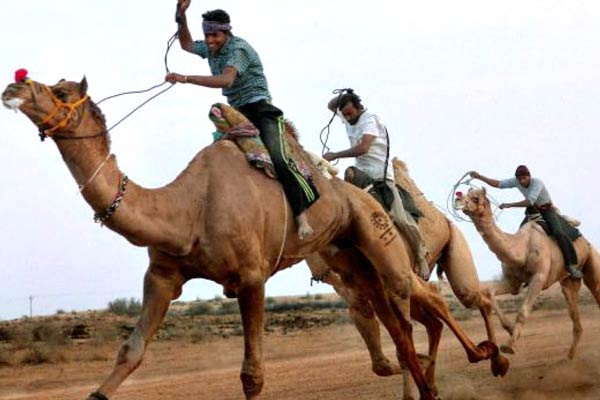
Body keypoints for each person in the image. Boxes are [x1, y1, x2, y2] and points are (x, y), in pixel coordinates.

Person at [166, 1, 318, 238]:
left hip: (260, 109)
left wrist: (184, 78)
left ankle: (301, 214)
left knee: (278, 157)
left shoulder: (239, 49)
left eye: (214, 35)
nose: (209, 41)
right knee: (216, 156)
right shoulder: (211, 49)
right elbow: (186, 44)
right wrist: (180, 15)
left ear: (226, 32)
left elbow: (227, 80)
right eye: (207, 36)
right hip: (236, 113)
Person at [324, 90, 430, 279]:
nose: (347, 117)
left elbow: (363, 148)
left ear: (359, 108)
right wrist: (345, 94)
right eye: (344, 114)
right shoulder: (349, 117)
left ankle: (421, 255)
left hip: (381, 176)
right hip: (362, 175)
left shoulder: (370, 120)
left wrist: (335, 155)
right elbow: (331, 106)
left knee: (401, 218)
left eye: (350, 113)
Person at [470, 166, 582, 279]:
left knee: (558, 232)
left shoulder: (536, 183)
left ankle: (571, 265)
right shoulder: (516, 181)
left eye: (524, 178)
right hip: (532, 211)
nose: (522, 181)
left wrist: (509, 205)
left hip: (546, 210)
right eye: (520, 179)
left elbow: (530, 201)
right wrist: (480, 177)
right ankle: (521, 271)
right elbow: (499, 184)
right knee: (519, 237)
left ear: (529, 176)